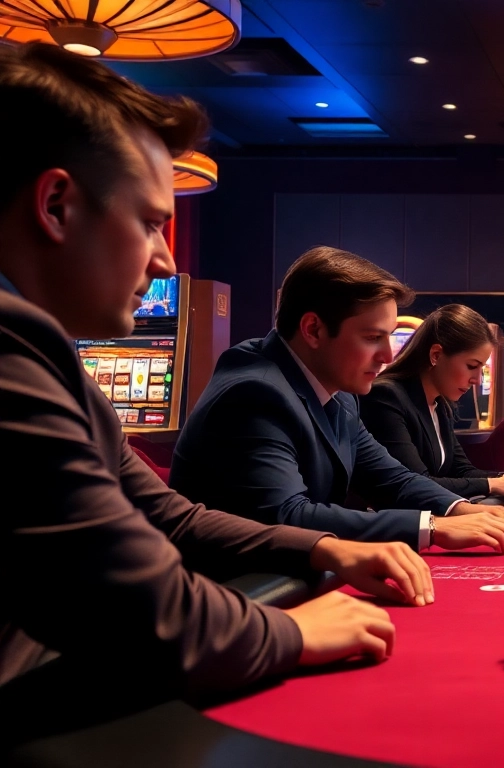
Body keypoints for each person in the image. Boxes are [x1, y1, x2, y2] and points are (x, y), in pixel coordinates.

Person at [0, 42, 436, 738]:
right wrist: (289, 633)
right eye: (149, 223)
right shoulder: (10, 344)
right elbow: (144, 609)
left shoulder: (46, 357)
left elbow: (171, 517)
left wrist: (325, 552)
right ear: (56, 205)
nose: (168, 258)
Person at [171, 247, 504, 554]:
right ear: (313, 330)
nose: (388, 356)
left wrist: (459, 508)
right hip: (232, 597)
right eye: (373, 337)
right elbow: (287, 515)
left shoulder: (340, 396)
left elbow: (393, 479)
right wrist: (430, 528)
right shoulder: (254, 393)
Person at [362, 304, 504, 506]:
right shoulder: (386, 396)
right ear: (436, 355)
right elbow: (415, 483)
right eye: (472, 366)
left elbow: (462, 471)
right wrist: (492, 484)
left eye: (481, 369)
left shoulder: (441, 404)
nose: (477, 380)